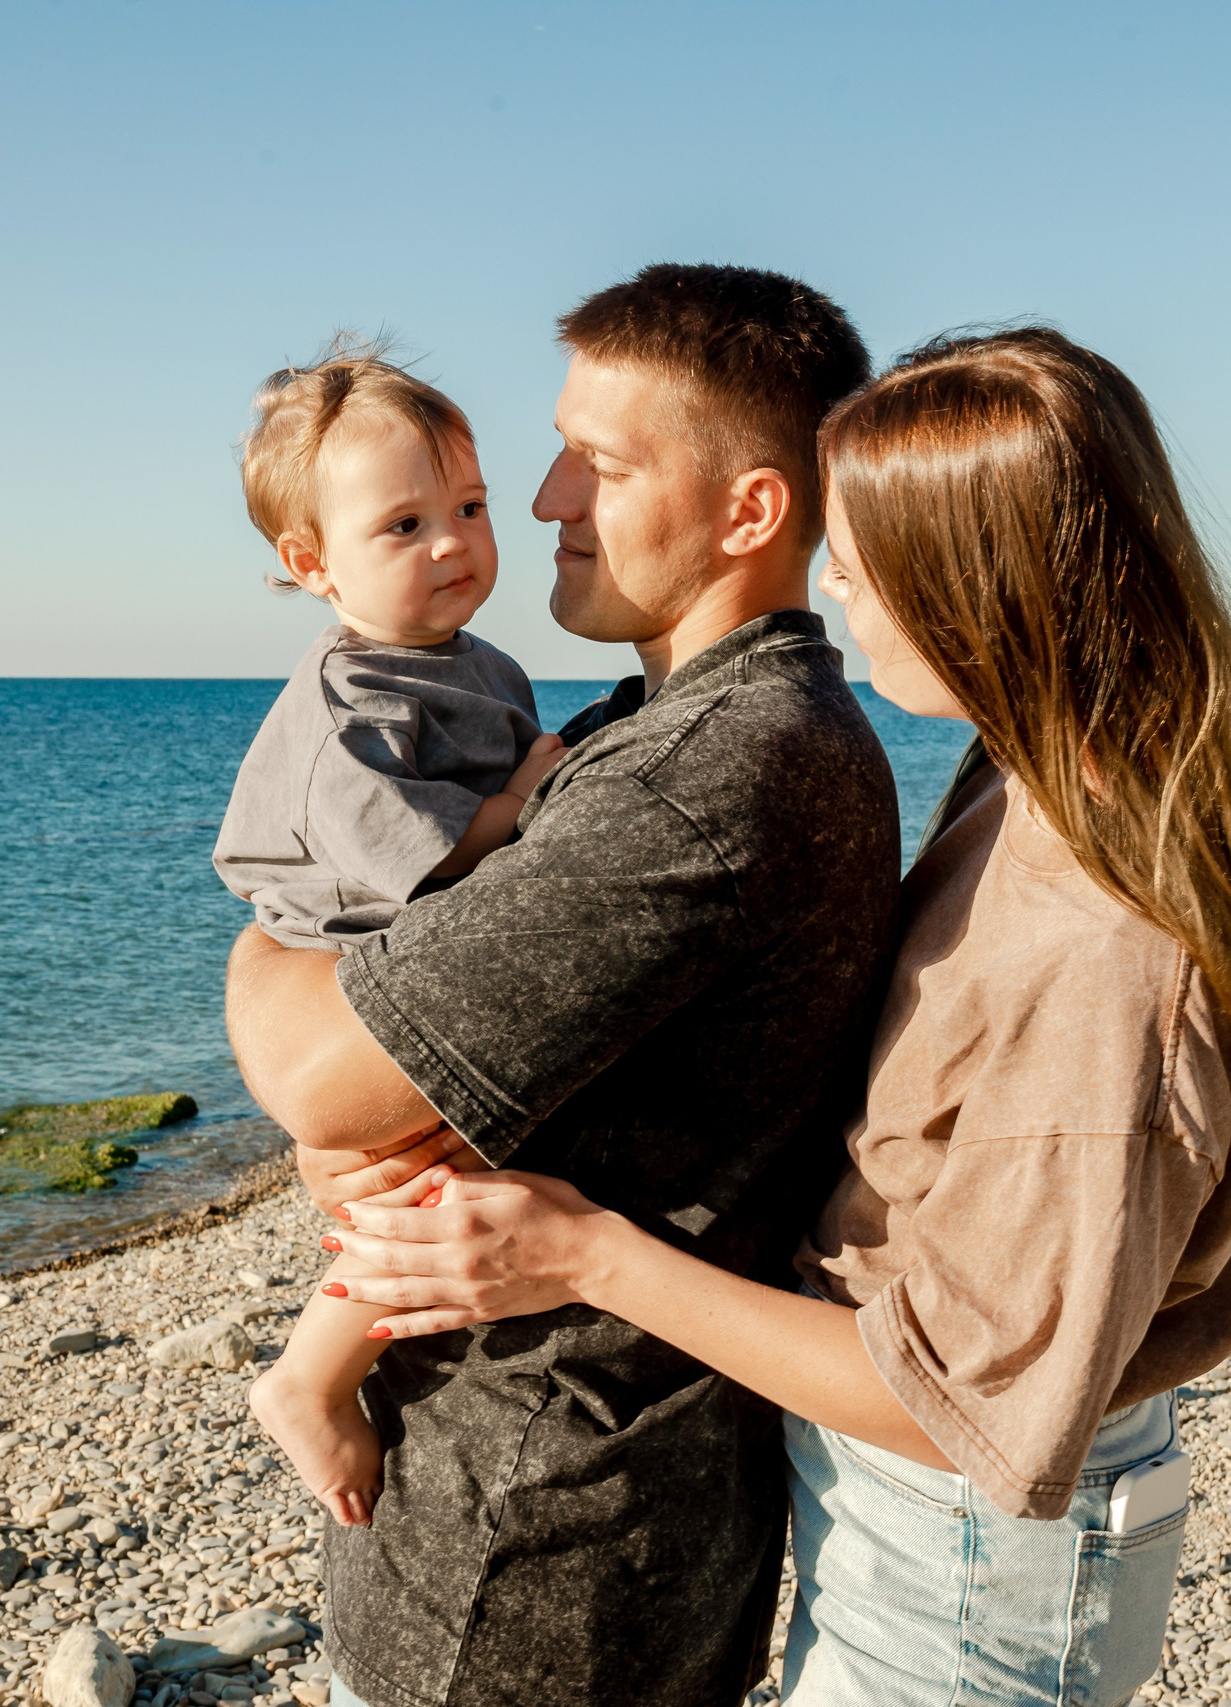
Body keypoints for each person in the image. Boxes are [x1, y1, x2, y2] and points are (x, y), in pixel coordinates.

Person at [324, 328, 1231, 1706]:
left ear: (985, 579)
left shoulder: (1108, 952)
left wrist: (587, 1252)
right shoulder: (1041, 782)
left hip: (971, 1568)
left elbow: (968, 1405)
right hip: (926, 1540)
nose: (837, 582)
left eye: (866, 552)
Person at [222, 265, 895, 1707]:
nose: (536, 504)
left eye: (594, 461)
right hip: (577, 1508)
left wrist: (271, 957)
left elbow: (322, 1079)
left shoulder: (703, 774)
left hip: (532, 1547)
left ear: (750, 510)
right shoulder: (658, 728)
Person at [208, 342, 567, 1530]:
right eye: (403, 525)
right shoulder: (347, 708)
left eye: (468, 507)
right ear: (312, 563)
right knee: (429, 1166)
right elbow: (410, 856)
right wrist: (517, 814)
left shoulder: (479, 662)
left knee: (440, 1168)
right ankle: (311, 1375)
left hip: (409, 948)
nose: (455, 543)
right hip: (352, 952)